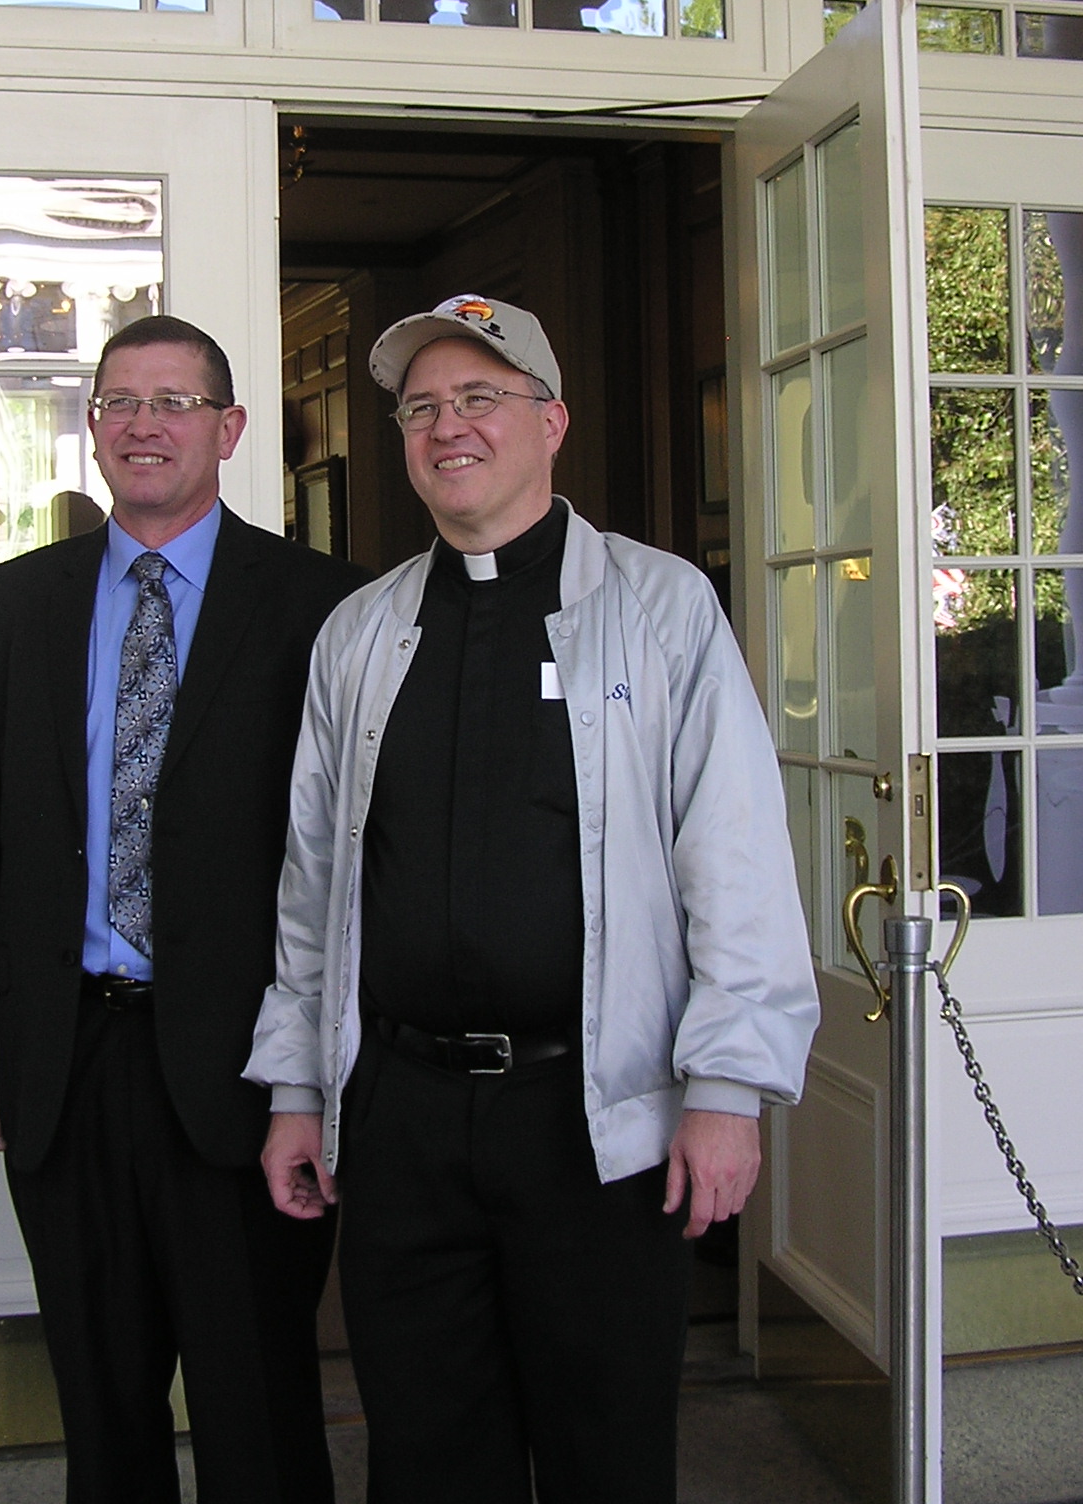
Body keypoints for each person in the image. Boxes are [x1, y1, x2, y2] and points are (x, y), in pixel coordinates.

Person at [247, 294, 820, 1504]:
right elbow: (314, 891)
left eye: (477, 398)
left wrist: (727, 1085)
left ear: (550, 421)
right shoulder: (359, 633)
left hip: (595, 1121)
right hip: (402, 1120)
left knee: (603, 1457)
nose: (445, 426)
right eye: (420, 408)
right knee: (424, 1458)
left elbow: (735, 861)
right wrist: (297, 1085)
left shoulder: (662, 611)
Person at [0, 315, 365, 1504]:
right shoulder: (11, 607)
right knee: (101, 1412)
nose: (144, 423)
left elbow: (347, 861)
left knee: (256, 1409)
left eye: (173, 401)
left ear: (226, 428)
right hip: (65, 1067)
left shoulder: (325, 606)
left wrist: (316, 1077)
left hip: (244, 1070)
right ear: (92, 429)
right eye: (120, 401)